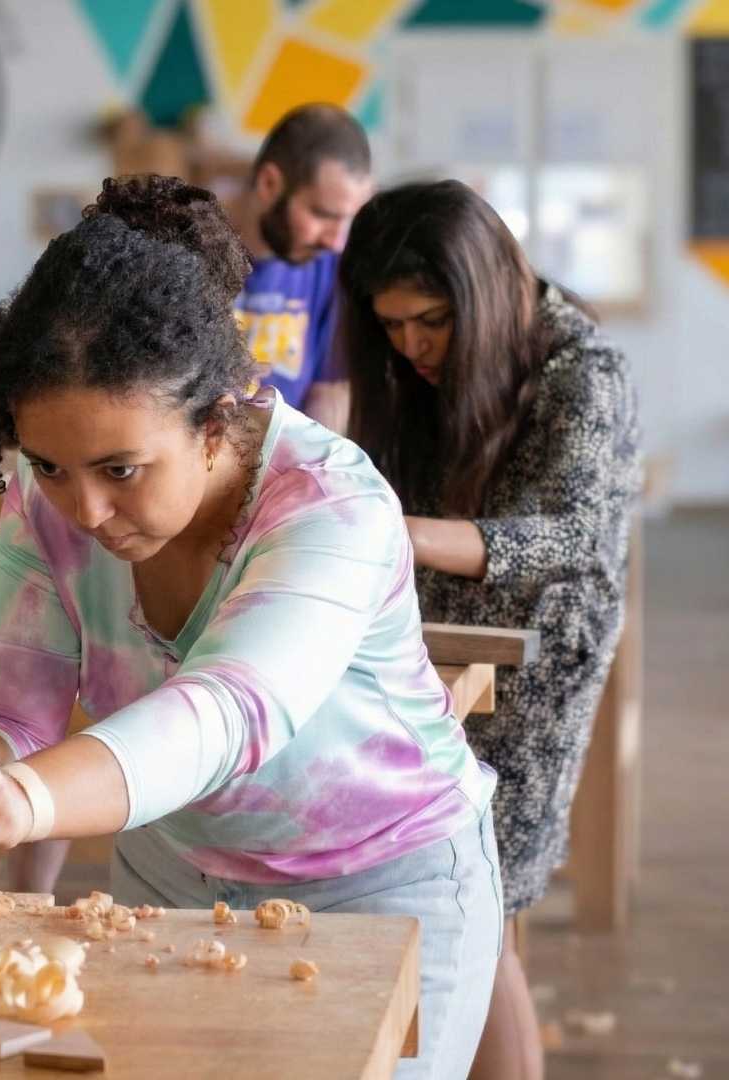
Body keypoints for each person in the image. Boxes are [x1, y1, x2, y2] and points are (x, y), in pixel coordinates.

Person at [0, 175, 501, 1077]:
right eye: (48, 465)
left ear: (217, 423)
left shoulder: (331, 507)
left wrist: (24, 799)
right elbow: (11, 696)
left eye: (121, 470)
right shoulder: (46, 497)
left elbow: (226, 715)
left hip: (377, 887)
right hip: (168, 878)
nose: (83, 510)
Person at [338, 179, 641, 1080]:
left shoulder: (584, 370)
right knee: (460, 900)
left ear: (485, 287)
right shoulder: (412, 366)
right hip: (441, 646)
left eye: (431, 320)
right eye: (391, 326)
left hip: (542, 659)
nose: (412, 346)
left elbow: (575, 538)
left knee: (481, 903)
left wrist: (406, 533)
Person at [224, 104, 373, 432]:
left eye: (349, 219)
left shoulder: (332, 268)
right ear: (268, 184)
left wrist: (308, 468)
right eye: (323, 215)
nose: (336, 241)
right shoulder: (186, 252)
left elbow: (330, 390)